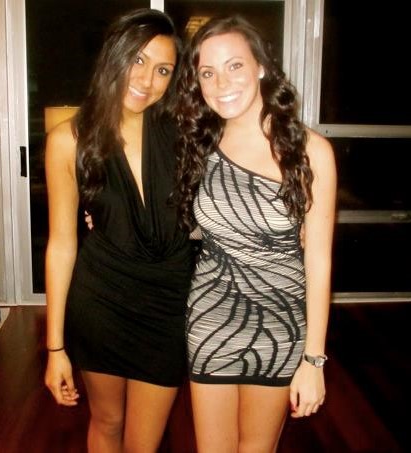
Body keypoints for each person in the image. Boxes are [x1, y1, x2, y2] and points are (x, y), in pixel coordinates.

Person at [173, 15, 337, 453]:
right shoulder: (198, 144)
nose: (221, 83)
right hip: (211, 317)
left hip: (280, 324)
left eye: (235, 66)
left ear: (261, 66)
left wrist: (314, 359)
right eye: (207, 72)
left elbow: (318, 260)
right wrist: (98, 212)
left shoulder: (310, 152)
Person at [44, 9, 195, 453]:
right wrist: (55, 349)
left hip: (168, 305)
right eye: (138, 60)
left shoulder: (183, 133)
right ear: (115, 55)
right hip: (102, 302)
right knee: (107, 422)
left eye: (163, 70)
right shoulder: (68, 140)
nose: (148, 80)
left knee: (144, 442)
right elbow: (61, 245)